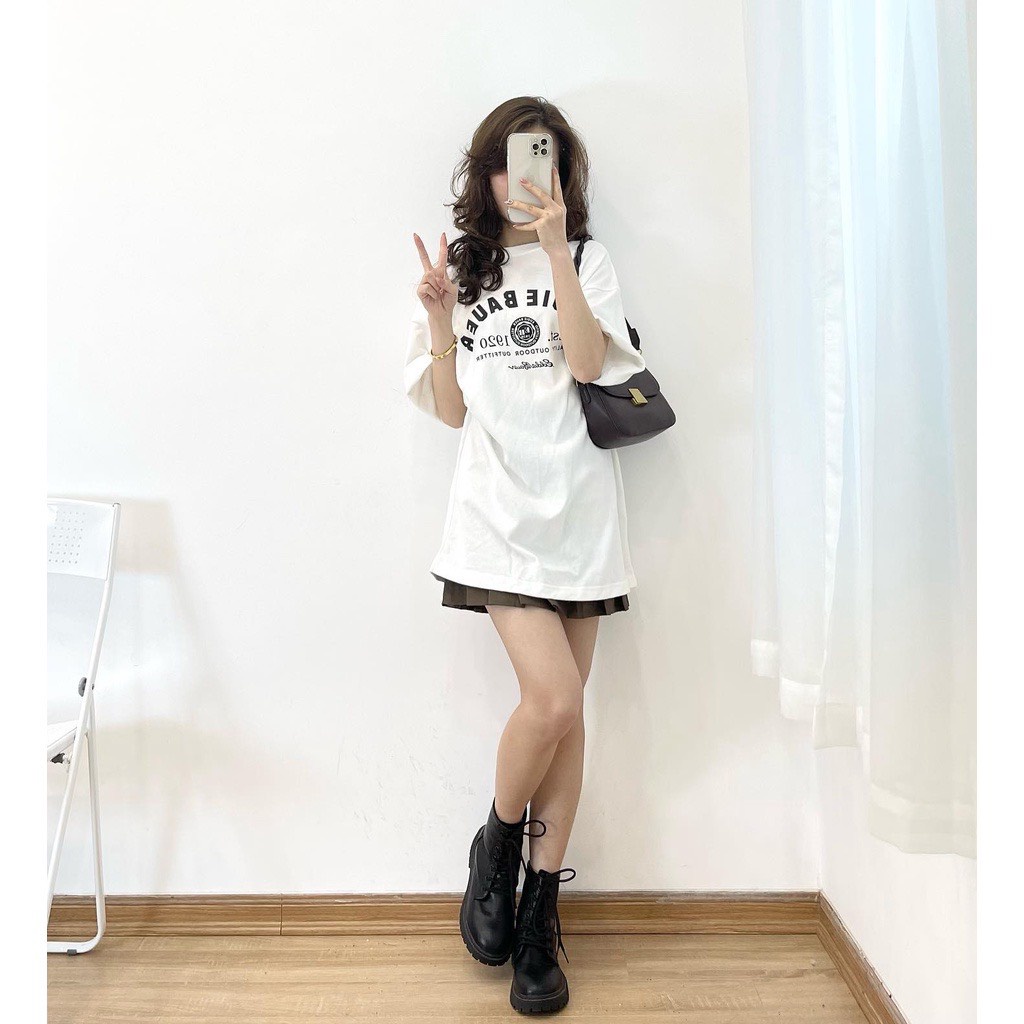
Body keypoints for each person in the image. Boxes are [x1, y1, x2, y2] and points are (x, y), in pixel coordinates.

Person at [403, 97, 646, 1015]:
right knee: (554, 700)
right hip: (495, 517)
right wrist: (439, 319)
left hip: (580, 517)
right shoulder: (465, 269)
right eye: (507, 160)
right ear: (486, 172)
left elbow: (586, 364)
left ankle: (539, 916)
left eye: (539, 159)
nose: (521, 178)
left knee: (568, 716)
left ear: (561, 173)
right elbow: (452, 411)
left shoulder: (587, 260)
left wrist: (556, 255)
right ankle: (496, 844)